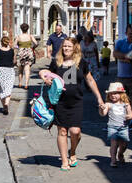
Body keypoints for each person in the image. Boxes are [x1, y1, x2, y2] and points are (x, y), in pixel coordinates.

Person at [39, 37, 106, 171]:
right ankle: (64, 160)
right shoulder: (56, 62)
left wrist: (99, 98)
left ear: (75, 48)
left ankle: (73, 151)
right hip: (59, 102)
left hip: (76, 102)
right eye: (64, 46)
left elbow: (90, 80)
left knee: (75, 131)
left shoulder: (81, 63)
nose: (66, 49)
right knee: (62, 131)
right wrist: (44, 78)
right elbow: (43, 72)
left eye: (69, 46)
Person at [100, 81, 132, 167]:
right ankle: (113, 160)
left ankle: (120, 154)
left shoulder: (126, 104)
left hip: (123, 127)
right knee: (114, 144)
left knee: (124, 144)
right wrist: (101, 109)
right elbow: (103, 114)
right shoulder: (108, 104)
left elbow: (131, 115)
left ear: (121, 94)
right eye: (111, 94)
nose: (113, 95)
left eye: (115, 93)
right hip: (112, 127)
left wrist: (129, 116)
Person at [113, 25, 132, 124]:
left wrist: (124, 57)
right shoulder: (120, 42)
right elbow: (115, 54)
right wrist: (127, 57)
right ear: (126, 33)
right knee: (119, 99)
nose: (131, 35)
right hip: (121, 76)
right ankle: (120, 119)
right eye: (129, 33)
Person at [15, 23, 37, 88]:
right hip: (29, 52)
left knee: (20, 69)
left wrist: (19, 47)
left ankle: (20, 83)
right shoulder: (30, 36)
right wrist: (33, 47)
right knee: (27, 69)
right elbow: (36, 43)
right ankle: (26, 84)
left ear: (21, 29)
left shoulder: (18, 37)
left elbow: (14, 45)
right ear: (28, 29)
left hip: (21, 53)